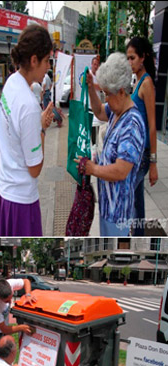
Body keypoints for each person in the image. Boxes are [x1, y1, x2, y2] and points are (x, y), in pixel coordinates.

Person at [0, 25, 55, 236]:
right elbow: (35, 168)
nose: (48, 67)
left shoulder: (12, 83)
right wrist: (42, 130)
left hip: (5, 189)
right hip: (21, 199)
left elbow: (14, 129)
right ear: (33, 60)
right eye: (47, 60)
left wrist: (38, 125)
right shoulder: (29, 104)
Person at [81, 53, 146, 236]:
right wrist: (91, 89)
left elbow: (121, 170)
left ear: (122, 92)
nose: (106, 99)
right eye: (104, 93)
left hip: (118, 212)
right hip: (108, 205)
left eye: (108, 94)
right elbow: (99, 111)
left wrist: (93, 169)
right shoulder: (117, 111)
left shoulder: (132, 124)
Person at [126, 37, 158, 236]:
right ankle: (138, 235)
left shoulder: (146, 84)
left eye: (132, 58)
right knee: (137, 199)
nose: (130, 62)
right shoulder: (138, 81)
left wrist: (153, 164)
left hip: (143, 154)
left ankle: (133, 235)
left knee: (127, 193)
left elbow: (153, 125)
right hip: (136, 151)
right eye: (128, 58)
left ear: (143, 57)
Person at [0, 278, 35, 357]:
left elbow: (26, 281)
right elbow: (4, 329)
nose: (9, 302)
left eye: (11, 297)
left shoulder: (9, 284)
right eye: (6, 301)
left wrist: (28, 295)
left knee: (7, 356)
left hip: (5, 327)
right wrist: (21, 327)